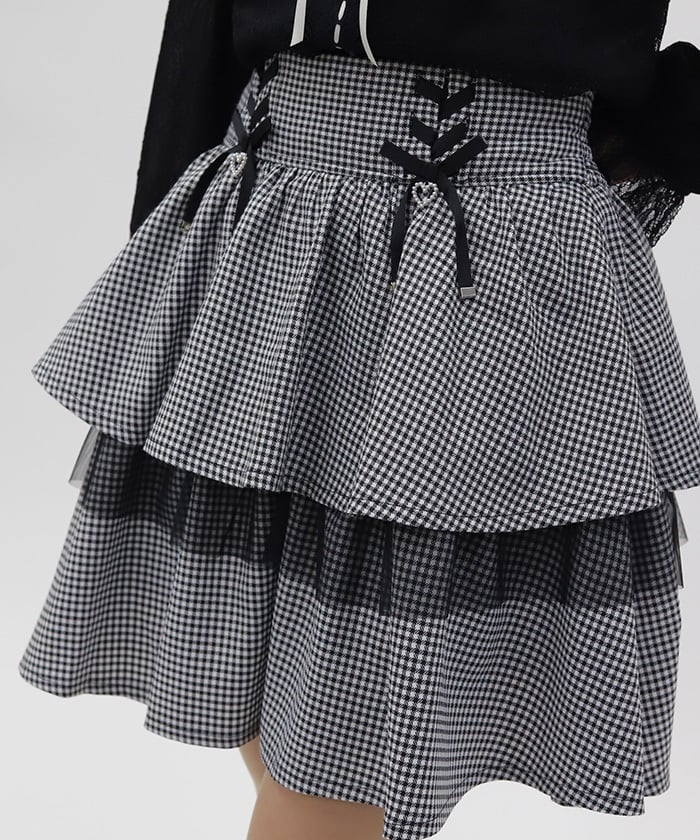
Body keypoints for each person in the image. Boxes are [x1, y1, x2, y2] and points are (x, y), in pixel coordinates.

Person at [18, 3, 700, 839]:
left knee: (348, 730)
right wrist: (175, 224)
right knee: (290, 711)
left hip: (477, 240)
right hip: (274, 208)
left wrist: (645, 122)